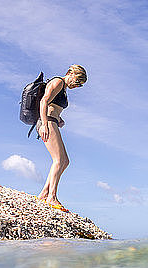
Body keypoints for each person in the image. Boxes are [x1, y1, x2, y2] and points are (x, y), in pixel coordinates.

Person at [35, 65, 87, 212]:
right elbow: (44, 101)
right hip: (47, 122)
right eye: (77, 81)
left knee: (65, 161)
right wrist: (45, 124)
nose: (76, 85)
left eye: (79, 85)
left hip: (53, 121)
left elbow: (53, 105)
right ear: (70, 73)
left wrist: (60, 118)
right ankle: (52, 197)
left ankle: (44, 193)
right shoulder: (58, 82)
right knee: (58, 160)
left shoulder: (63, 88)